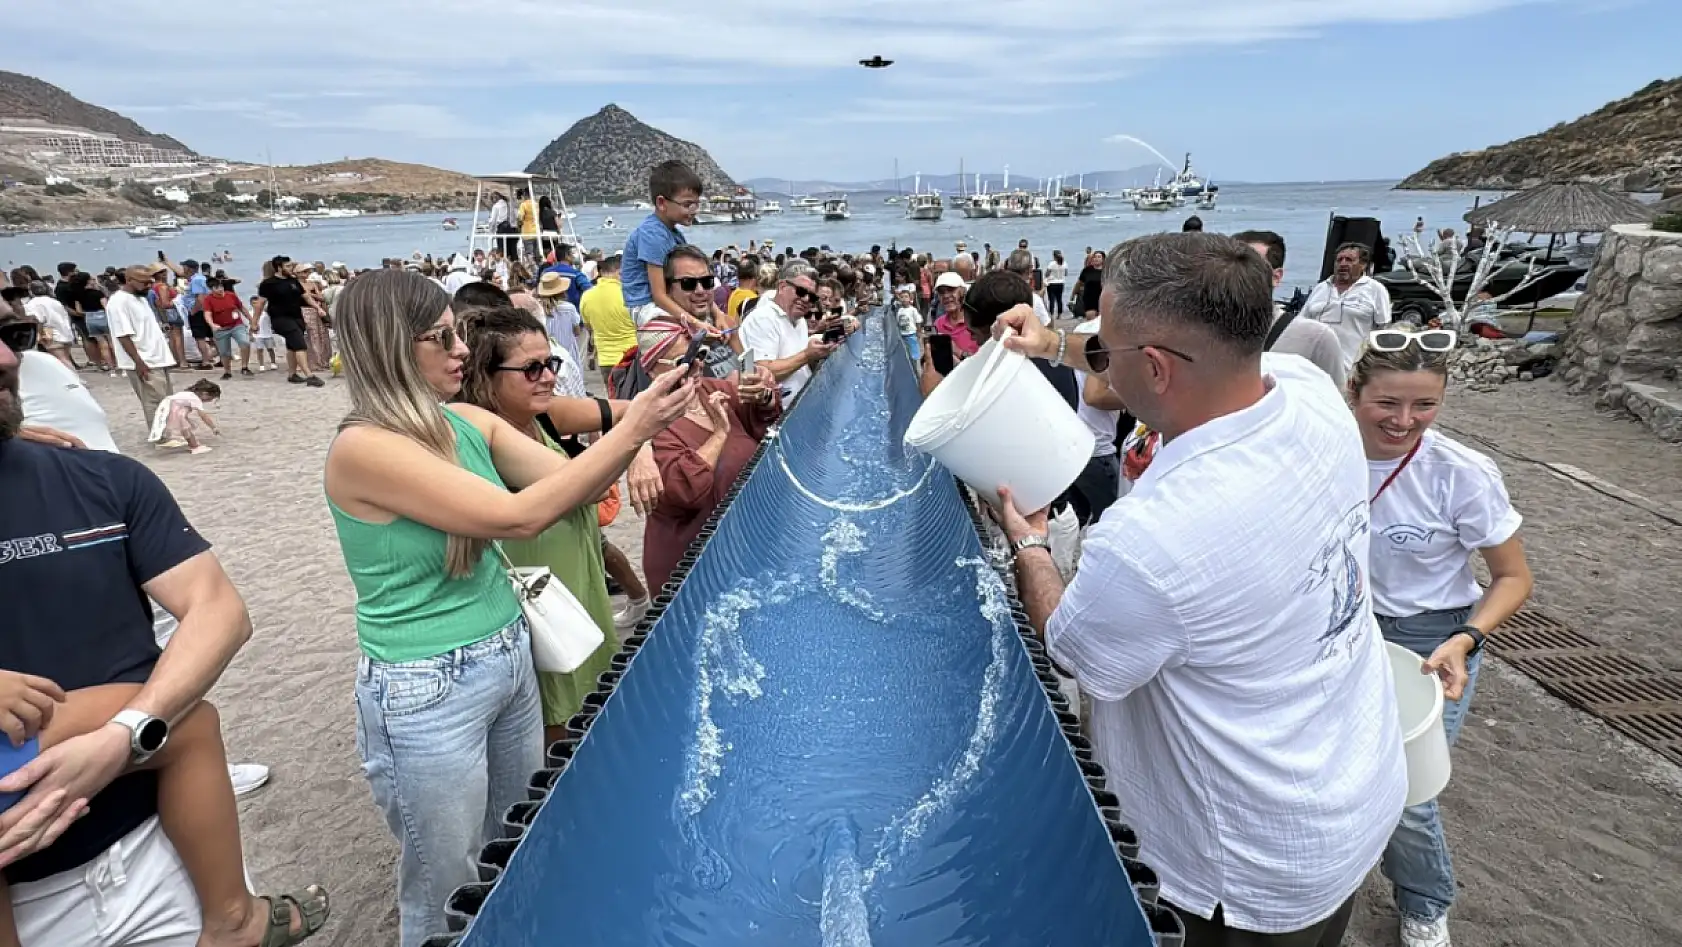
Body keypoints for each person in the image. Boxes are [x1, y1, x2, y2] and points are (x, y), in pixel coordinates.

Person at [991, 233, 1407, 946]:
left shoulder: (1152, 536)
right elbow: (1183, 355)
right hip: (1353, 798)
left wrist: (1030, 543)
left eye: (1109, 347)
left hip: (1243, 871)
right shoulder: (1308, 393)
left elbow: (1074, 648)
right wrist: (1055, 343)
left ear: (1154, 367)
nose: (1100, 357)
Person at [322, 270, 695, 947]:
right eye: (441, 338)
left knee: (512, 843)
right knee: (444, 885)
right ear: (393, 347)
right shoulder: (364, 448)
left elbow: (573, 484)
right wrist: (635, 425)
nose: (461, 350)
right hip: (426, 685)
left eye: (457, 334)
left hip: (506, 654)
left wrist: (638, 431)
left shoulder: (462, 422)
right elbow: (517, 516)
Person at [0, 315, 327, 947]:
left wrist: (125, 734)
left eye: (11, 338)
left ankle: (235, 918)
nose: (8, 359)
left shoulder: (100, 478)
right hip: (29, 892)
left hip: (165, 851)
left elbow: (219, 611)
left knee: (194, 725)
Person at [1350, 329, 1533, 947]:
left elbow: (1513, 578)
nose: (1404, 421)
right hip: (1341, 628)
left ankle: (1426, 904)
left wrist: (1466, 639)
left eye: (1424, 405)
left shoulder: (1460, 472)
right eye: (1387, 403)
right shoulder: (1323, 450)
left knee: (1406, 786)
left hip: (1431, 640)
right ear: (1354, 392)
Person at [455, 307, 661, 743]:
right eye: (531, 369)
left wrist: (641, 442)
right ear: (484, 376)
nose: (548, 377)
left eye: (550, 363)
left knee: (588, 699)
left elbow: (631, 413)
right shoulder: (483, 437)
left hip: (578, 583)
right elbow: (585, 486)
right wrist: (637, 437)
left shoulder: (542, 415)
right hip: (541, 601)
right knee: (557, 718)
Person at [637, 313, 781, 592]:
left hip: (740, 548)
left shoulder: (712, 390)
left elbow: (764, 421)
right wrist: (719, 434)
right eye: (685, 360)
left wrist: (763, 394)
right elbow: (684, 491)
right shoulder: (652, 424)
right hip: (692, 569)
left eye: (700, 354)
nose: (698, 365)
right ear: (653, 370)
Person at [1234, 230, 1347, 388]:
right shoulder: (1206, 334)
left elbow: (1335, 400)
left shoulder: (1316, 339)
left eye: (1249, 267)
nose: (1237, 276)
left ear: (1276, 277)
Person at [623, 161, 705, 330]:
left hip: (665, 300)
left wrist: (718, 314)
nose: (694, 210)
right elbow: (659, 295)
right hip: (645, 306)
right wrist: (696, 323)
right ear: (661, 203)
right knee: (685, 334)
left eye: (696, 204)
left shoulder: (676, 235)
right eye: (687, 204)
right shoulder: (652, 234)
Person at [739, 260, 834, 402]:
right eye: (801, 292)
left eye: (812, 297)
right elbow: (763, 372)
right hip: (779, 411)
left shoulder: (799, 320)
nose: (806, 299)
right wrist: (807, 355)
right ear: (782, 287)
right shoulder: (763, 319)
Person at [106, 265, 179, 431]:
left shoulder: (140, 298)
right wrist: (138, 362)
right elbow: (123, 335)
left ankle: (168, 432)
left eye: (150, 282)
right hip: (144, 360)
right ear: (129, 280)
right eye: (144, 282)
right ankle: (160, 436)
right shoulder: (119, 302)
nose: (148, 286)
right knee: (153, 401)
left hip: (157, 357)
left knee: (166, 399)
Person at [1304, 242, 1393, 374]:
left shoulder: (1376, 290)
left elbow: (1384, 331)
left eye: (1349, 260)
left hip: (1354, 370)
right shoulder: (1320, 289)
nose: (1343, 264)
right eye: (1339, 260)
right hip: (1316, 368)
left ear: (1363, 265)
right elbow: (1302, 324)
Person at [256, 258, 325, 388]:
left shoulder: (293, 281)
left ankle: (292, 374)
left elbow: (305, 296)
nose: (290, 268)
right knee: (300, 345)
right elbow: (260, 304)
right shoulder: (268, 284)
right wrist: (254, 323)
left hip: (297, 317)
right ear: (279, 267)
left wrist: (318, 308)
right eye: (287, 266)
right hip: (280, 319)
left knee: (292, 346)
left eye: (290, 266)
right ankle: (310, 376)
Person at [579, 255, 636, 386]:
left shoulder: (587, 296)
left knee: (613, 396)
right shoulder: (629, 294)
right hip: (631, 356)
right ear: (619, 272)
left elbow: (589, 328)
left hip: (605, 360)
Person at [148, 378, 221, 454]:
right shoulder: (195, 399)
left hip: (167, 406)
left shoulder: (189, 394)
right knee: (186, 428)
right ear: (205, 394)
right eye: (210, 398)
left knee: (183, 426)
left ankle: (166, 440)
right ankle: (194, 446)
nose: (209, 401)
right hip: (173, 409)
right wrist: (213, 427)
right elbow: (203, 416)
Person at [202, 279, 252, 380]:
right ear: (211, 289)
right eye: (217, 288)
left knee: (245, 342)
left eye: (221, 286)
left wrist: (251, 320)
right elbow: (207, 314)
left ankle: (245, 367)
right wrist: (212, 324)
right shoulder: (208, 300)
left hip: (236, 324)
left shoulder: (231, 295)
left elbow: (242, 308)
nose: (220, 289)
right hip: (221, 328)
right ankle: (227, 371)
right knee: (224, 352)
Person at [536, 273, 585, 369]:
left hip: (548, 355)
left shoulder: (538, 309)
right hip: (568, 354)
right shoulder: (569, 308)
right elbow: (577, 331)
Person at [22, 283, 75, 370]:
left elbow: (37, 320)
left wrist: (38, 337)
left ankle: (73, 376)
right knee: (64, 358)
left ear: (31, 291)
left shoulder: (33, 304)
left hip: (49, 332)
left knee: (61, 360)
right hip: (65, 331)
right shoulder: (55, 301)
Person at [931, 271, 977, 356]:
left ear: (963, 291)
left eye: (951, 290)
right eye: (941, 292)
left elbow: (985, 359)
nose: (946, 296)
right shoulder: (938, 324)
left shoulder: (976, 322)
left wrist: (958, 352)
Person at [1072, 249, 1106, 321]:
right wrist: (1073, 295)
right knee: (1091, 320)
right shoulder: (1087, 270)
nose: (1096, 259)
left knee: (1101, 321)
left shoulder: (1107, 271)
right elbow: (1079, 283)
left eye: (1099, 257)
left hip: (1102, 298)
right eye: (1095, 257)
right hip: (1089, 299)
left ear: (1103, 259)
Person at [1044, 250, 1068, 319]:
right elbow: (1066, 274)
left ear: (1054, 256)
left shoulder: (1051, 264)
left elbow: (1047, 274)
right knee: (1059, 299)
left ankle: (1051, 315)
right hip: (1061, 283)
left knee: (1051, 300)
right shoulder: (1064, 263)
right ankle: (1059, 315)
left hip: (1052, 283)